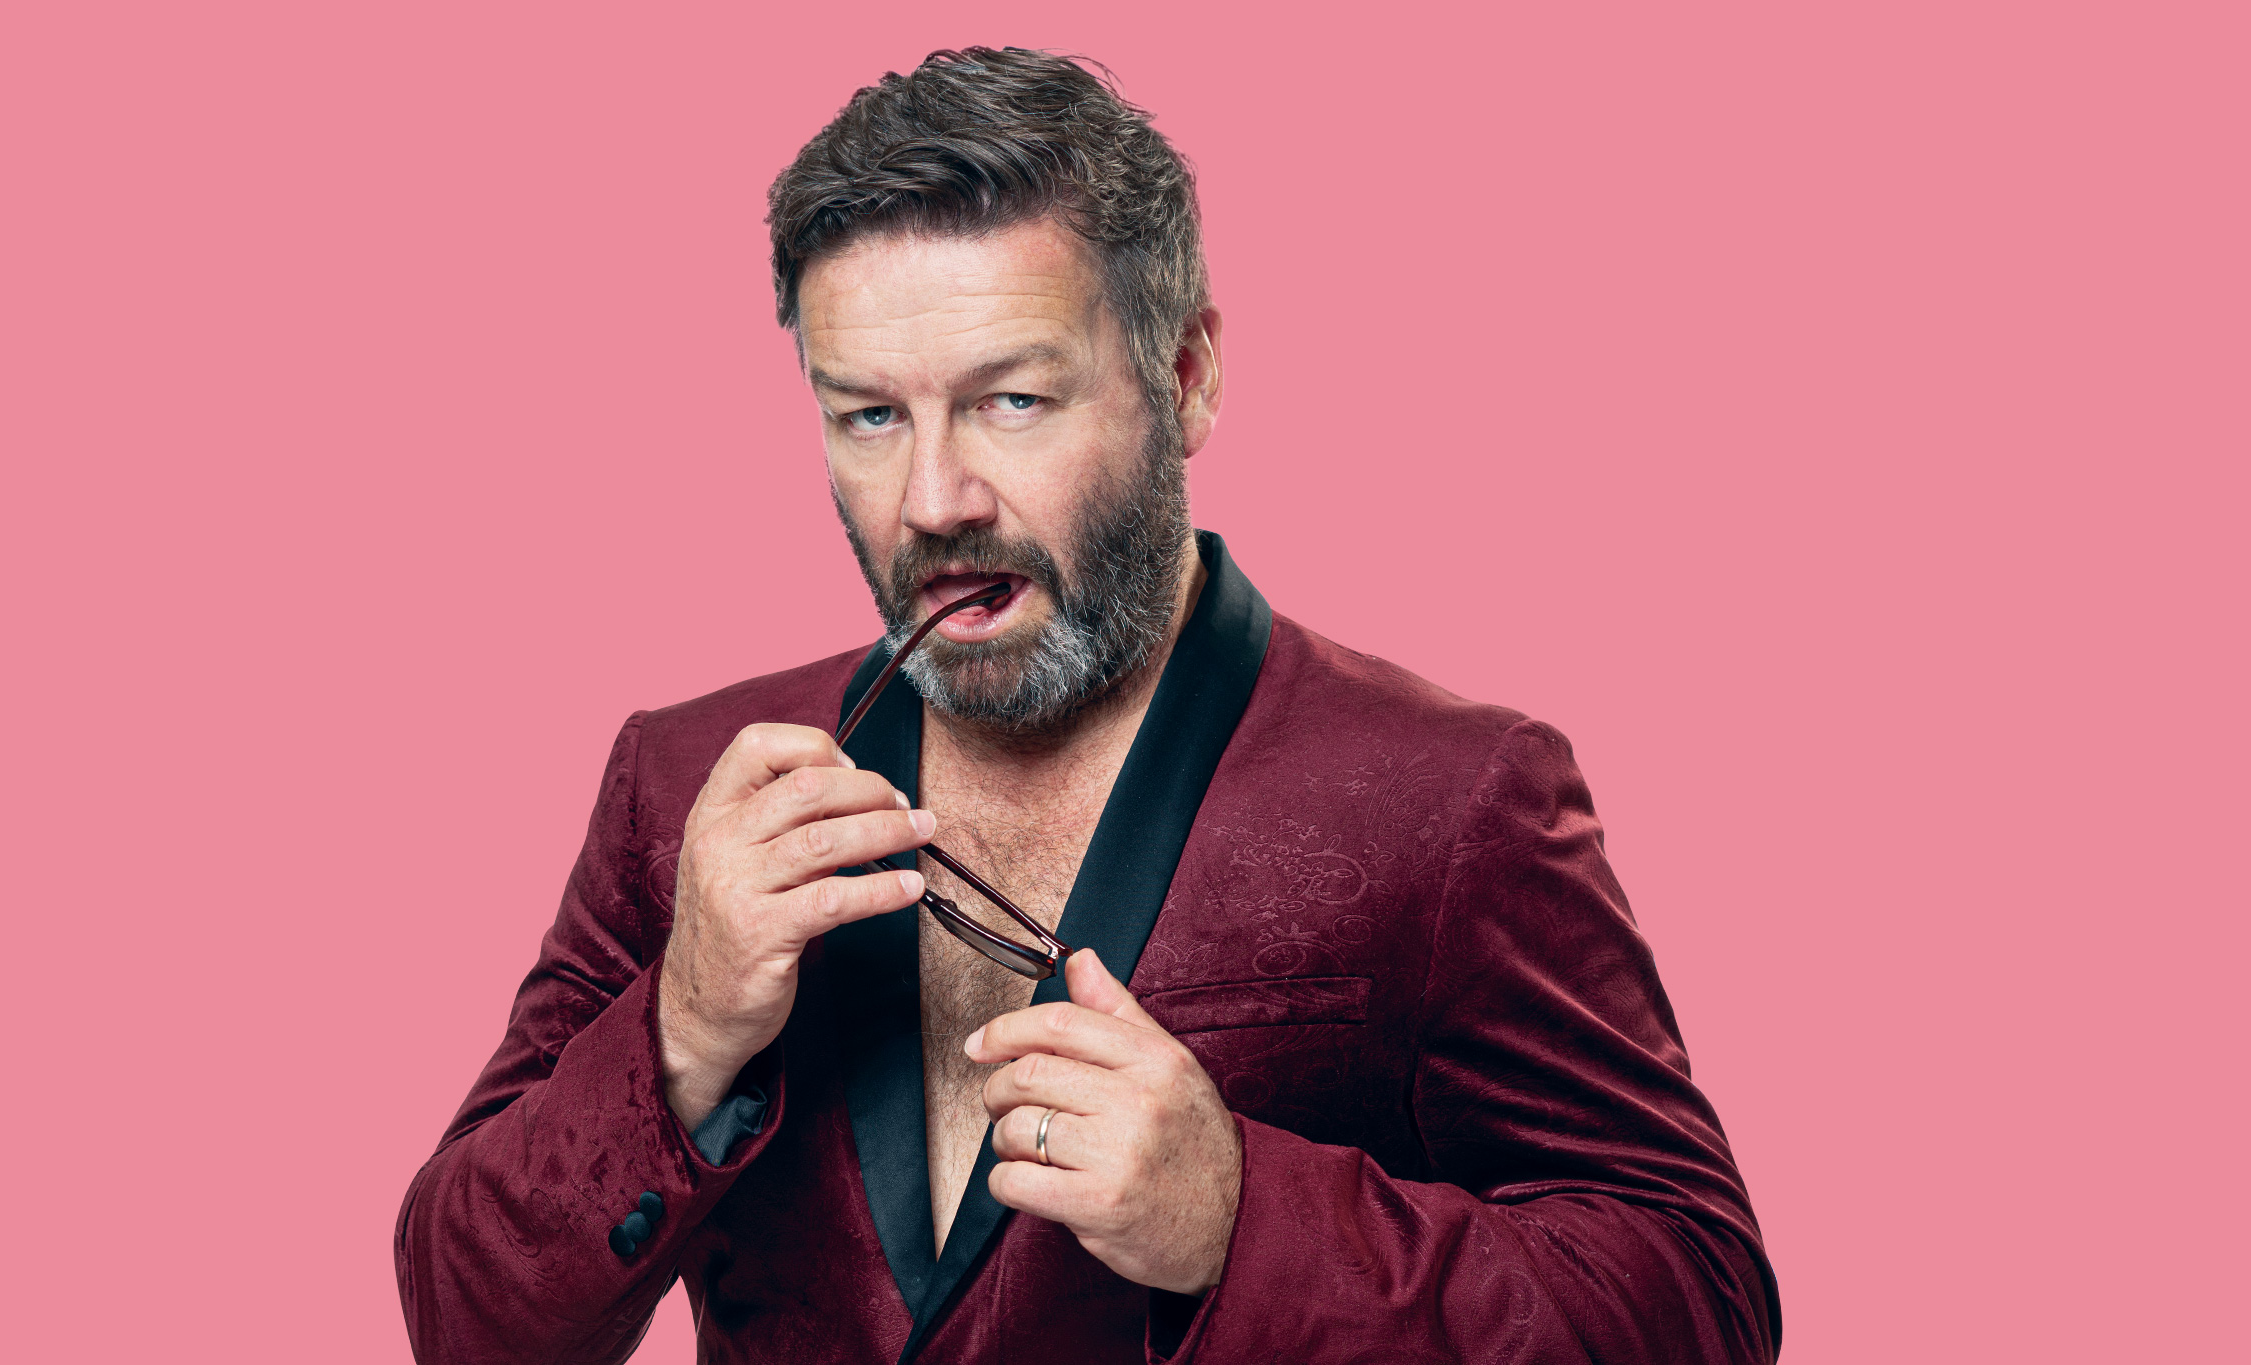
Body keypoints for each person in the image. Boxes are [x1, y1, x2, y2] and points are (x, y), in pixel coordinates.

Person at [395, 47, 1779, 1365]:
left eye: (1010, 400)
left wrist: (1240, 1220)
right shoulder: (682, 781)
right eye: (869, 415)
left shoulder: (1454, 796)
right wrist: (683, 1028)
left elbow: (1700, 1300)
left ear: (1185, 377)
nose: (933, 500)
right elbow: (464, 1322)